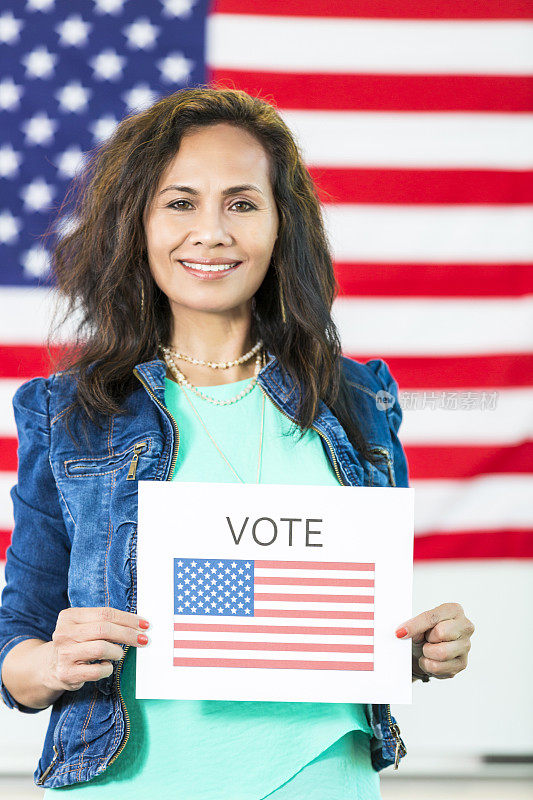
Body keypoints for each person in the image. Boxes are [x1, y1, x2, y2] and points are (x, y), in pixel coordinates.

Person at [0, 87, 475, 798]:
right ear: (138, 223)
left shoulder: (359, 399)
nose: (212, 232)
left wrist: (420, 649)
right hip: (128, 782)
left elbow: (356, 627)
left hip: (321, 779)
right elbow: (20, 646)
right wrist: (52, 664)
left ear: (283, 226)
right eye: (180, 202)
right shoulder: (66, 412)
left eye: (242, 204)